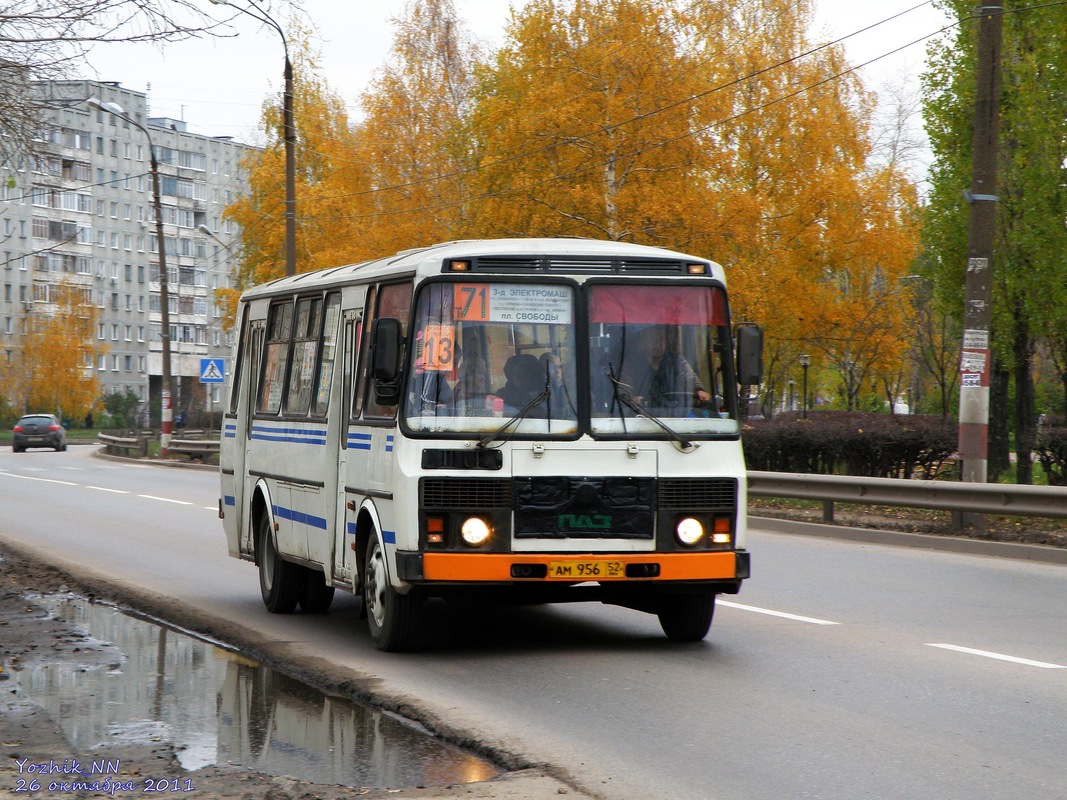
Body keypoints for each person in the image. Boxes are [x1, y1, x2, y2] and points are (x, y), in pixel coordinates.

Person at [619, 326, 710, 411]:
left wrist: (699, 391)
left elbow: (690, 380)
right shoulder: (631, 364)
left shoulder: (677, 361)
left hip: (675, 416)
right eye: (652, 339)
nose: (657, 344)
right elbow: (623, 393)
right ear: (643, 340)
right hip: (641, 417)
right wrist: (633, 399)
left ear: (666, 341)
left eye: (661, 339)